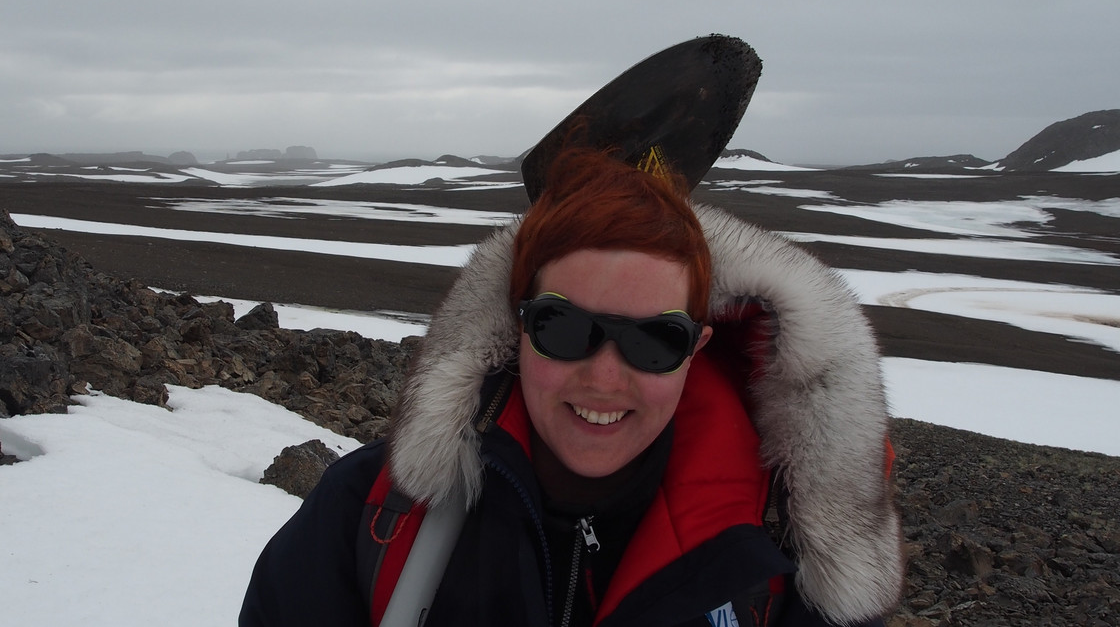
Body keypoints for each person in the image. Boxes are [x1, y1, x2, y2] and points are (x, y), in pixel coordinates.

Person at [240, 148, 903, 626]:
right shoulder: (368, 515)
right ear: (515, 330)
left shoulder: (781, 561)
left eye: (654, 339)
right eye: (563, 326)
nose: (606, 377)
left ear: (697, 349)